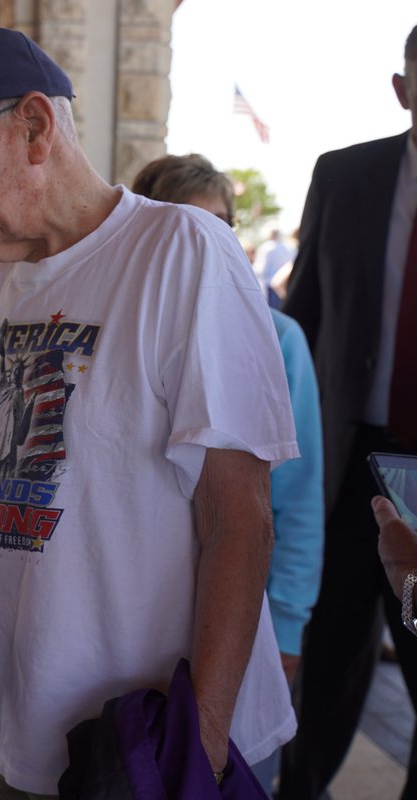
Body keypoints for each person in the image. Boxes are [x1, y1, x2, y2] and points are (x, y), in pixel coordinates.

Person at [0, 25, 298, 796]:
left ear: (34, 124)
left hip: (140, 747)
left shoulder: (180, 252)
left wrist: (198, 754)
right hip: (4, 735)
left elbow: (239, 518)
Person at [131, 152, 325, 791]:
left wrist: (290, 623)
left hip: (237, 634)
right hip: (132, 636)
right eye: (190, 225)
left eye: (224, 225)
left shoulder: (279, 338)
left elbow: (294, 501)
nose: (211, 244)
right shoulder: (121, 330)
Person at [277, 24, 417, 800]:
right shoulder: (344, 176)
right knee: (325, 670)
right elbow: (301, 322)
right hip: (345, 467)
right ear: (403, 90)